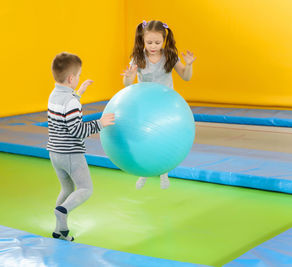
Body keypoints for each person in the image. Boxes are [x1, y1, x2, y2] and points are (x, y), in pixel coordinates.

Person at [47, 52, 114, 241]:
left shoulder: (54, 95)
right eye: (78, 76)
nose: (79, 79)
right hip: (71, 154)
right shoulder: (72, 102)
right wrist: (100, 123)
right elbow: (77, 130)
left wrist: (79, 92)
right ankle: (63, 212)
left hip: (54, 153)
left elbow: (65, 106)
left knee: (67, 190)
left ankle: (59, 230)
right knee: (85, 189)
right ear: (71, 78)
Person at [122, 20, 196, 190]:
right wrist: (128, 76)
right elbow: (127, 83)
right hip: (145, 106)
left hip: (165, 107)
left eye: (157, 42)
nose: (153, 46)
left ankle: (164, 172)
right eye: (149, 42)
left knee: (164, 139)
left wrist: (189, 64)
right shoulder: (138, 57)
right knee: (145, 139)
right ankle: (144, 172)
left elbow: (186, 76)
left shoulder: (169, 56)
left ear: (164, 40)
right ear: (142, 40)